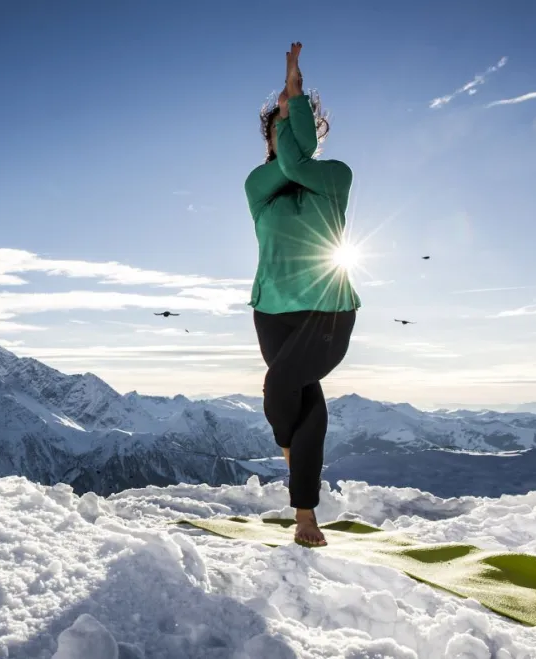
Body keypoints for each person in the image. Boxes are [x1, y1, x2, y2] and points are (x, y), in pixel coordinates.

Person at [243, 42, 361, 546]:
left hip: (329, 313)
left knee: (280, 390)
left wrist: (293, 100)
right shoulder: (257, 184)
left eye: (294, 127)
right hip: (271, 311)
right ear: (267, 140)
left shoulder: (335, 177)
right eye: (276, 130)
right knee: (304, 403)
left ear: (313, 132)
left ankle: (294, 467)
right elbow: (287, 166)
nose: (284, 137)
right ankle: (306, 515)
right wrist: (291, 104)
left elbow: (298, 163)